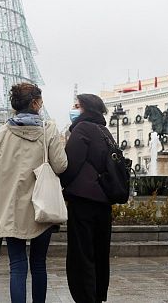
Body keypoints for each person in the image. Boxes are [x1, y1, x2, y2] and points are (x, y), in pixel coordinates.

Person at [0, 82, 67, 303]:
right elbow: (60, 166)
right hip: (42, 206)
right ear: (34, 103)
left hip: (11, 207)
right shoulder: (47, 129)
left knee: (17, 265)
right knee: (39, 263)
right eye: (40, 100)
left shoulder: (2, 132)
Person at [60, 93, 114, 303]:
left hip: (83, 201)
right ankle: (98, 295)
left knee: (81, 254)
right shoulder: (104, 130)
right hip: (104, 201)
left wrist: (61, 185)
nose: (73, 109)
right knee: (100, 251)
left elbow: (69, 165)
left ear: (86, 109)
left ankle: (85, 297)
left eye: (76, 105)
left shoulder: (82, 129)